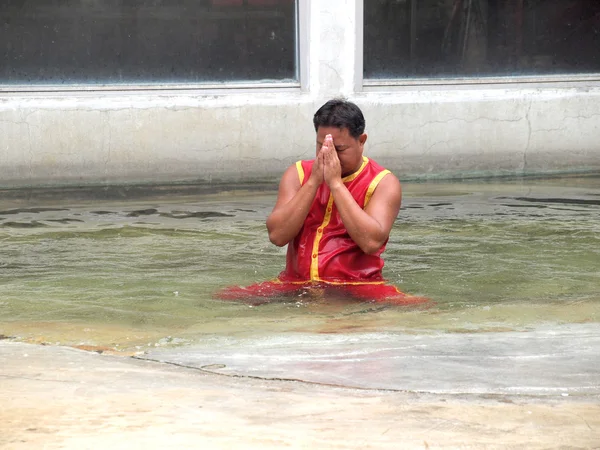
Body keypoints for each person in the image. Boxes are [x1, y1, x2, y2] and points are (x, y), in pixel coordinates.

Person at [216, 99, 428, 305]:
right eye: (321, 147)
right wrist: (315, 181)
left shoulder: (383, 182)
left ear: (361, 141)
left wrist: (335, 183)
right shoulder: (298, 174)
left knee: (424, 308)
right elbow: (277, 236)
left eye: (339, 149)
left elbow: (371, 243)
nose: (328, 155)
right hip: (295, 283)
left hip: (358, 286)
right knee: (223, 298)